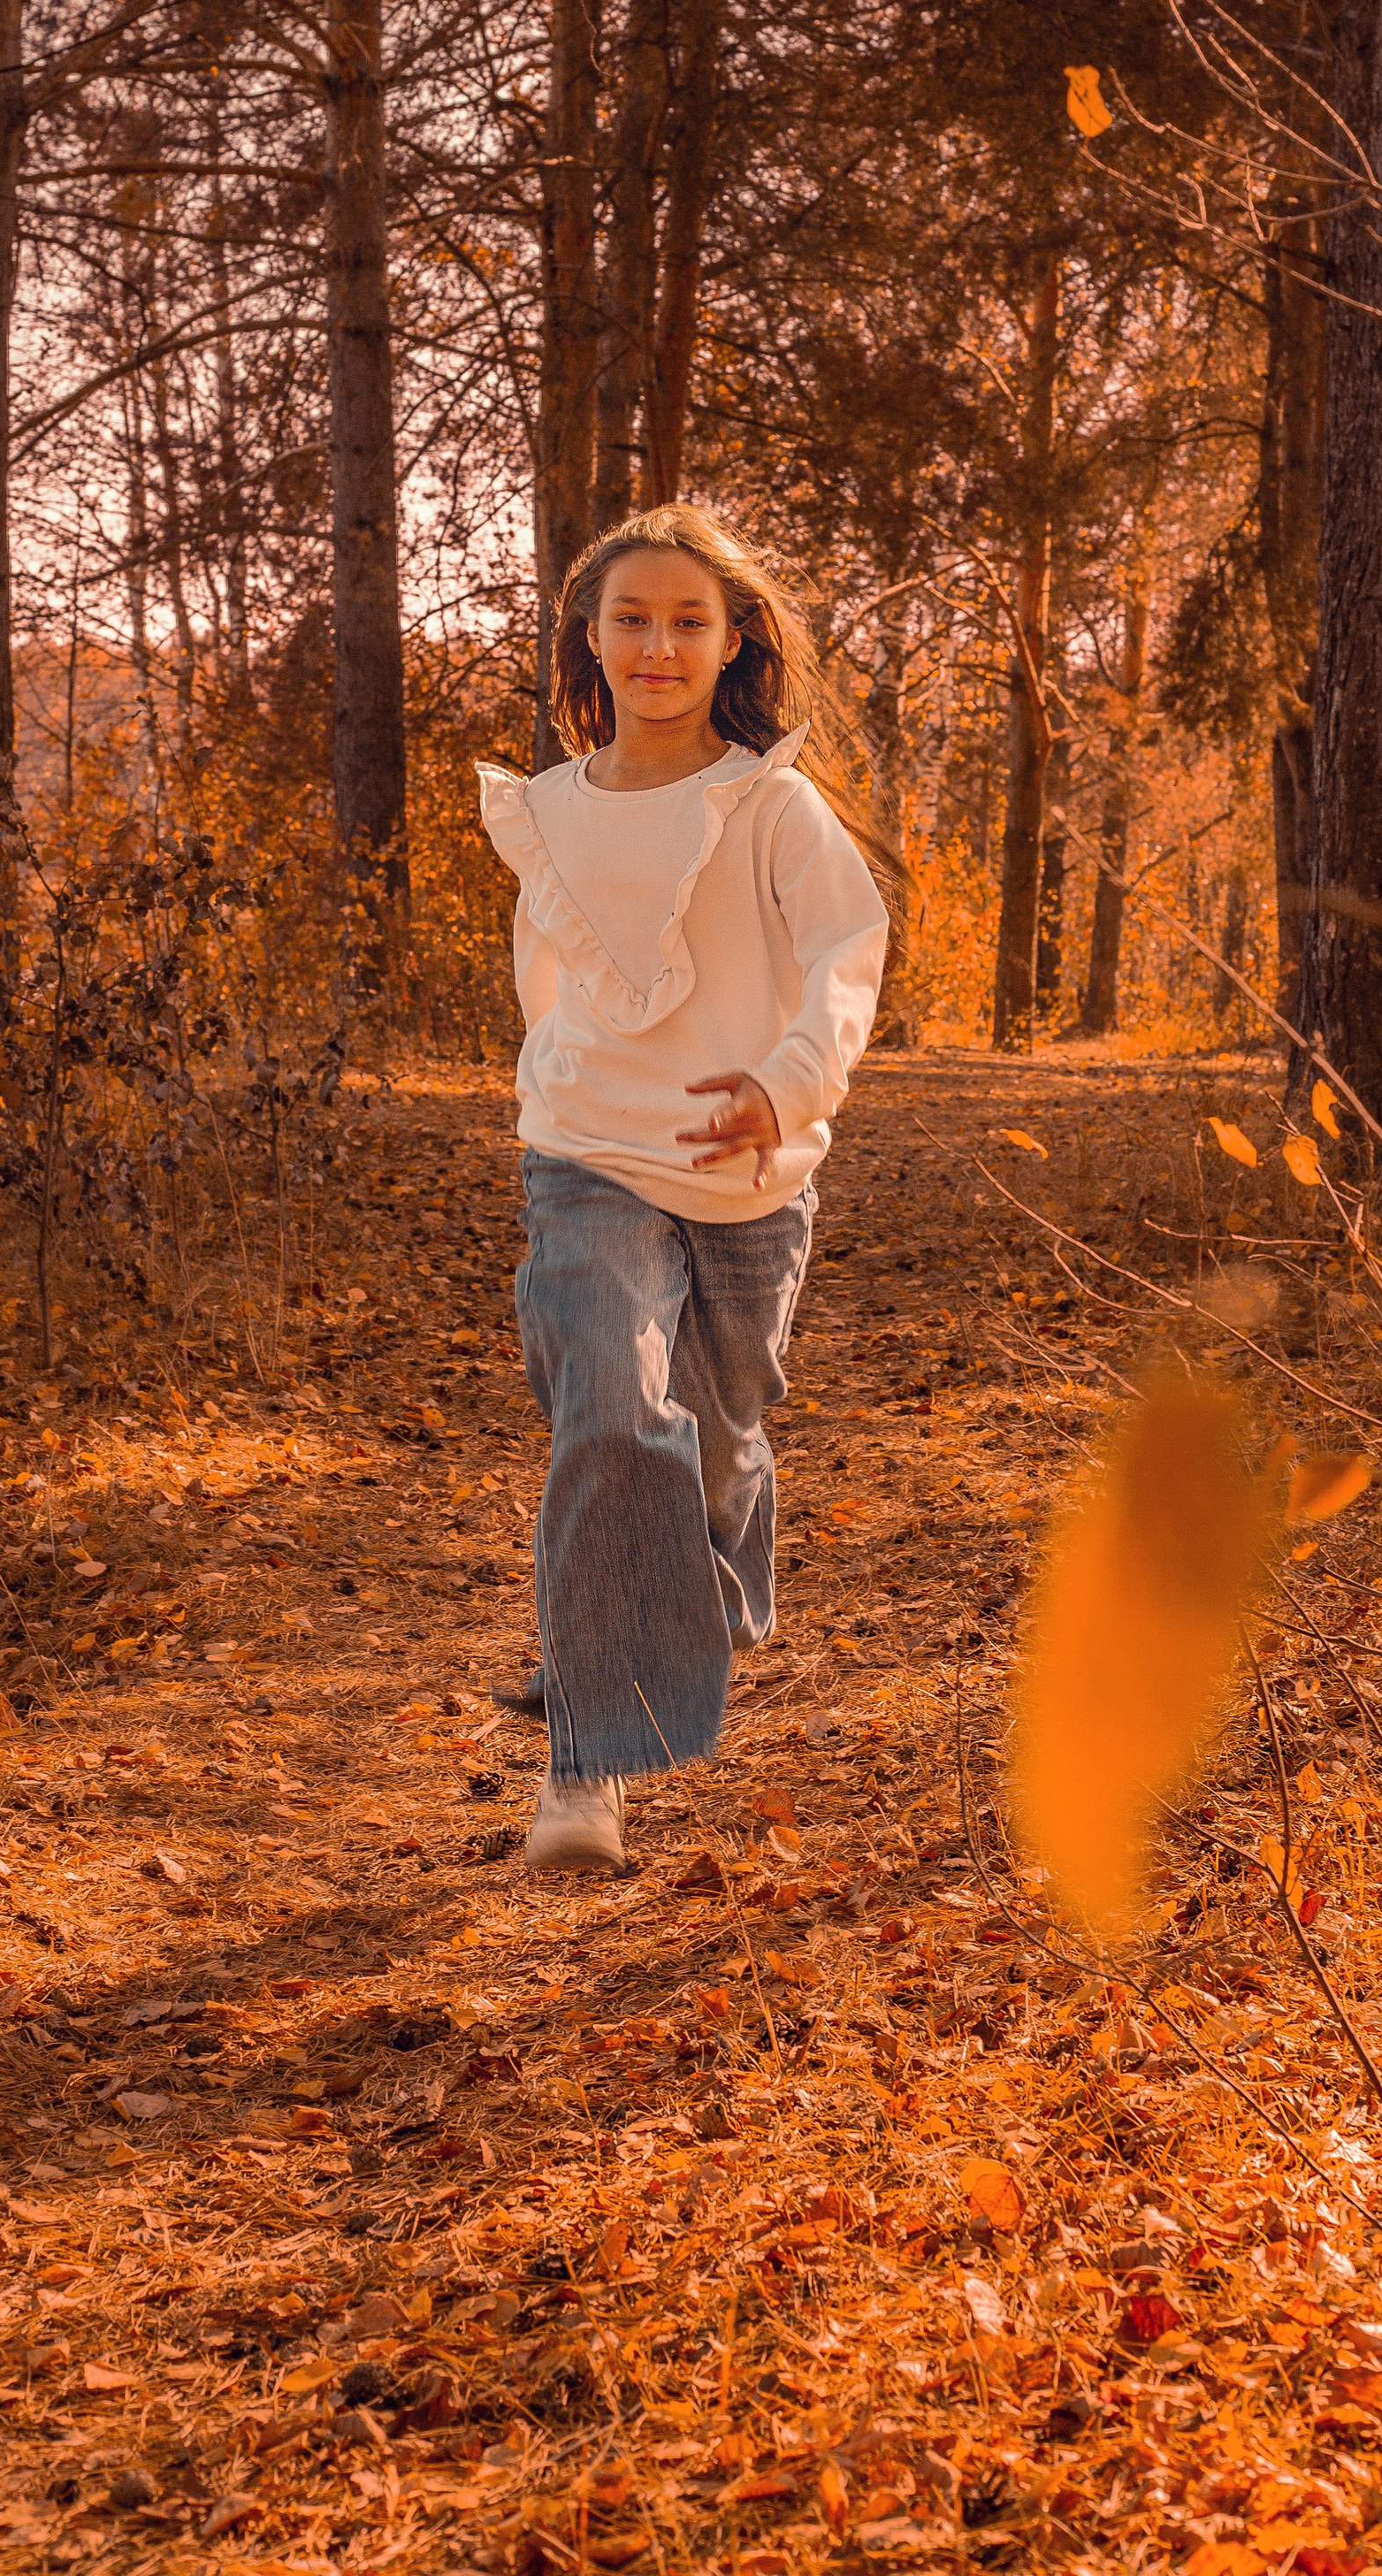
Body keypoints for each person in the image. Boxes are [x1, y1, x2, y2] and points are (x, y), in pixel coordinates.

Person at [477, 504, 890, 1872]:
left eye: (687, 621)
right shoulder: (546, 813)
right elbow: (553, 992)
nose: (657, 644)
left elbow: (845, 951)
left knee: (714, 1449)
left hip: (754, 1171)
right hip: (588, 1155)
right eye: (632, 618)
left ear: (732, 644)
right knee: (612, 1418)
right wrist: (568, 1099)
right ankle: (586, 1770)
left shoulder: (772, 807)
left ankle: (662, 1617)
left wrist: (785, 1083)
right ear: (588, 641)